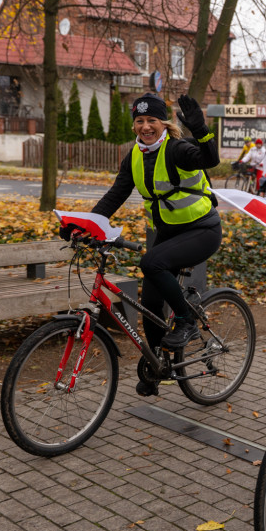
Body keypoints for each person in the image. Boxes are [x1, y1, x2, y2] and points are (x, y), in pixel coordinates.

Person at [63, 92, 222, 396]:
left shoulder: (177, 148)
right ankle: (159, 364)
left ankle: (186, 321)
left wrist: (200, 130)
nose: (145, 126)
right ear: (134, 125)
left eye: (152, 120)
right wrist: (85, 225)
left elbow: (209, 160)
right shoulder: (134, 156)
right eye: (139, 121)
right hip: (169, 232)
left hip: (202, 230)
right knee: (150, 303)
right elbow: (115, 194)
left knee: (150, 263)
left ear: (164, 123)